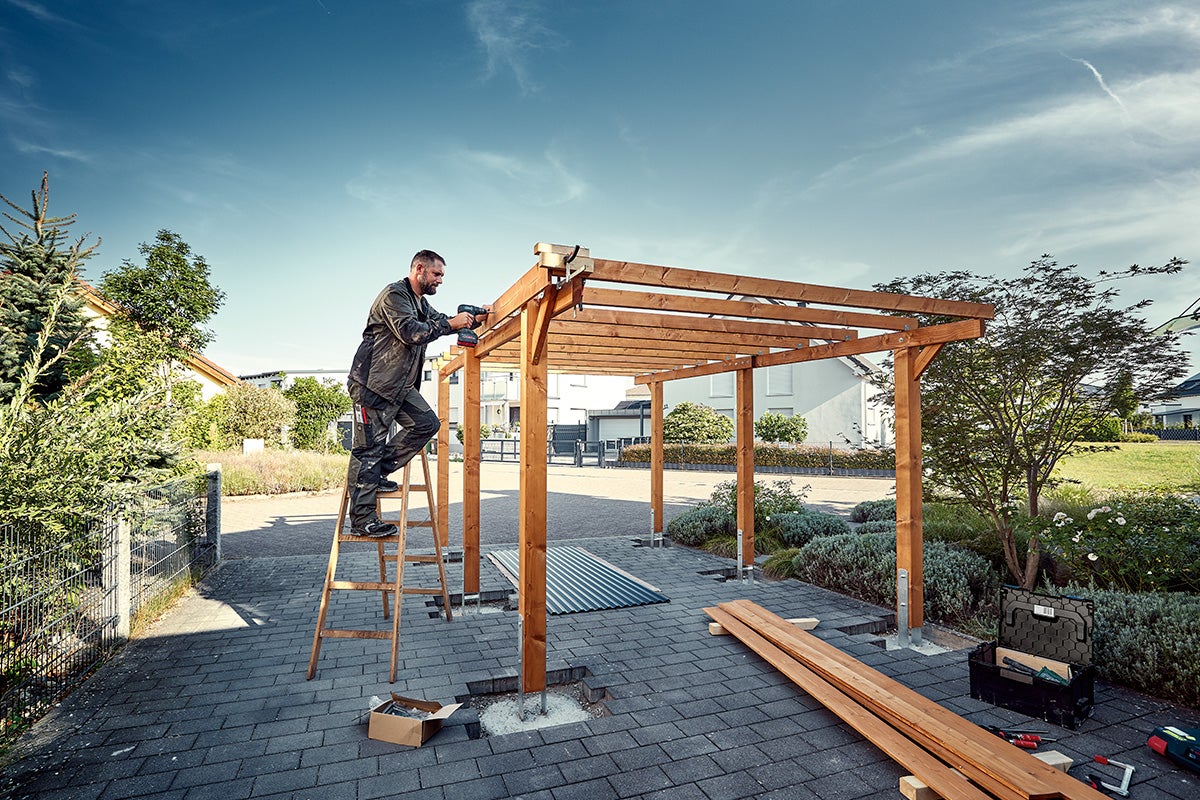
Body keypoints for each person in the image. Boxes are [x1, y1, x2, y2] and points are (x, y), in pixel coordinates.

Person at [345, 250, 489, 537]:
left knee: (427, 424)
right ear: (419, 269)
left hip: (400, 387)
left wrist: (475, 319)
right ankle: (362, 521)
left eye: (442, 276)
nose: (440, 281)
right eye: (437, 275)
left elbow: (443, 322)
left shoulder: (420, 303)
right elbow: (412, 332)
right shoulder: (394, 296)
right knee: (367, 449)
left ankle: (378, 473)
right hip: (372, 385)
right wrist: (452, 324)